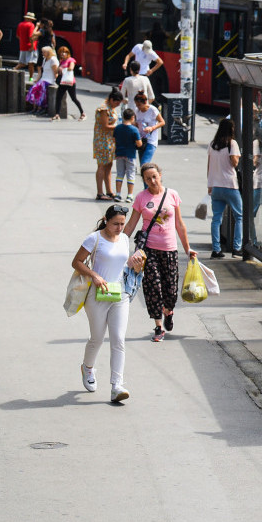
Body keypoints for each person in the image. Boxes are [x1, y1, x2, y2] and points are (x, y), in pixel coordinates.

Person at [126, 162, 197, 342]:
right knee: (153, 287)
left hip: (170, 250)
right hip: (148, 250)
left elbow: (180, 225)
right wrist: (115, 242)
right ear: (144, 180)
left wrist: (188, 249)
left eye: (154, 177)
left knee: (171, 290)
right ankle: (158, 326)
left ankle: (169, 311)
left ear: (160, 175)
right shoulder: (141, 198)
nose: (152, 181)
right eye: (148, 178)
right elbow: (131, 224)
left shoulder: (172, 195)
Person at [72, 204, 134, 403]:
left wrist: (136, 266)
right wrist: (95, 275)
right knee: (97, 338)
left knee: (118, 339)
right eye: (115, 223)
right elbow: (77, 262)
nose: (119, 228)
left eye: (122, 224)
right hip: (97, 294)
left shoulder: (124, 239)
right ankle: (87, 368)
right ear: (106, 221)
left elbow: (123, 265)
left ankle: (117, 385)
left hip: (119, 294)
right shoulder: (94, 238)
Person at [207, 118, 244, 259]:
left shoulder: (212, 144)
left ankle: (216, 250)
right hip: (230, 185)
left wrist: (209, 185)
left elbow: (209, 166)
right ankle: (237, 248)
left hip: (216, 186)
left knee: (216, 219)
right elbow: (234, 163)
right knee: (239, 217)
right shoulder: (232, 143)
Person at [93, 89, 124, 200]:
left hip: (110, 140)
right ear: (111, 100)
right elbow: (105, 126)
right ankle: (100, 193)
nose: (117, 105)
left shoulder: (110, 108)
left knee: (109, 166)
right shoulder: (104, 109)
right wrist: (120, 127)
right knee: (102, 165)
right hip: (102, 141)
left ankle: (109, 191)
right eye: (116, 103)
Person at [112, 107, 142, 201]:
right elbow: (139, 143)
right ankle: (129, 195)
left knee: (120, 174)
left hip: (119, 153)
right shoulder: (134, 130)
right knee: (131, 174)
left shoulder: (118, 128)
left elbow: (114, 140)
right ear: (133, 117)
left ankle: (118, 194)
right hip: (130, 154)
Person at [51, 45, 85, 121]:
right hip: (63, 82)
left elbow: (71, 68)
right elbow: (57, 71)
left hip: (70, 83)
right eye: (61, 52)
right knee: (58, 98)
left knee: (74, 98)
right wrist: (58, 69)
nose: (63, 54)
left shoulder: (71, 60)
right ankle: (57, 115)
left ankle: (82, 113)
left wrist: (62, 68)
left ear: (68, 53)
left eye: (64, 52)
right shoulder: (61, 61)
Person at [133, 92, 162, 165]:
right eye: (136, 105)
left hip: (151, 140)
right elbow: (136, 123)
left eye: (139, 105)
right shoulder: (137, 110)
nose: (138, 107)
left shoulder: (153, 110)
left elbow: (162, 122)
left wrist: (152, 128)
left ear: (145, 102)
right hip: (141, 140)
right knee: (142, 164)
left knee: (144, 163)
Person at [13, 11, 37, 78]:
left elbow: (17, 36)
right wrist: (32, 46)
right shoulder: (31, 25)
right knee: (31, 63)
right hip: (30, 47)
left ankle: (14, 69)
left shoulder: (20, 24)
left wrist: (23, 41)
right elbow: (30, 37)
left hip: (22, 46)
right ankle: (31, 78)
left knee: (22, 63)